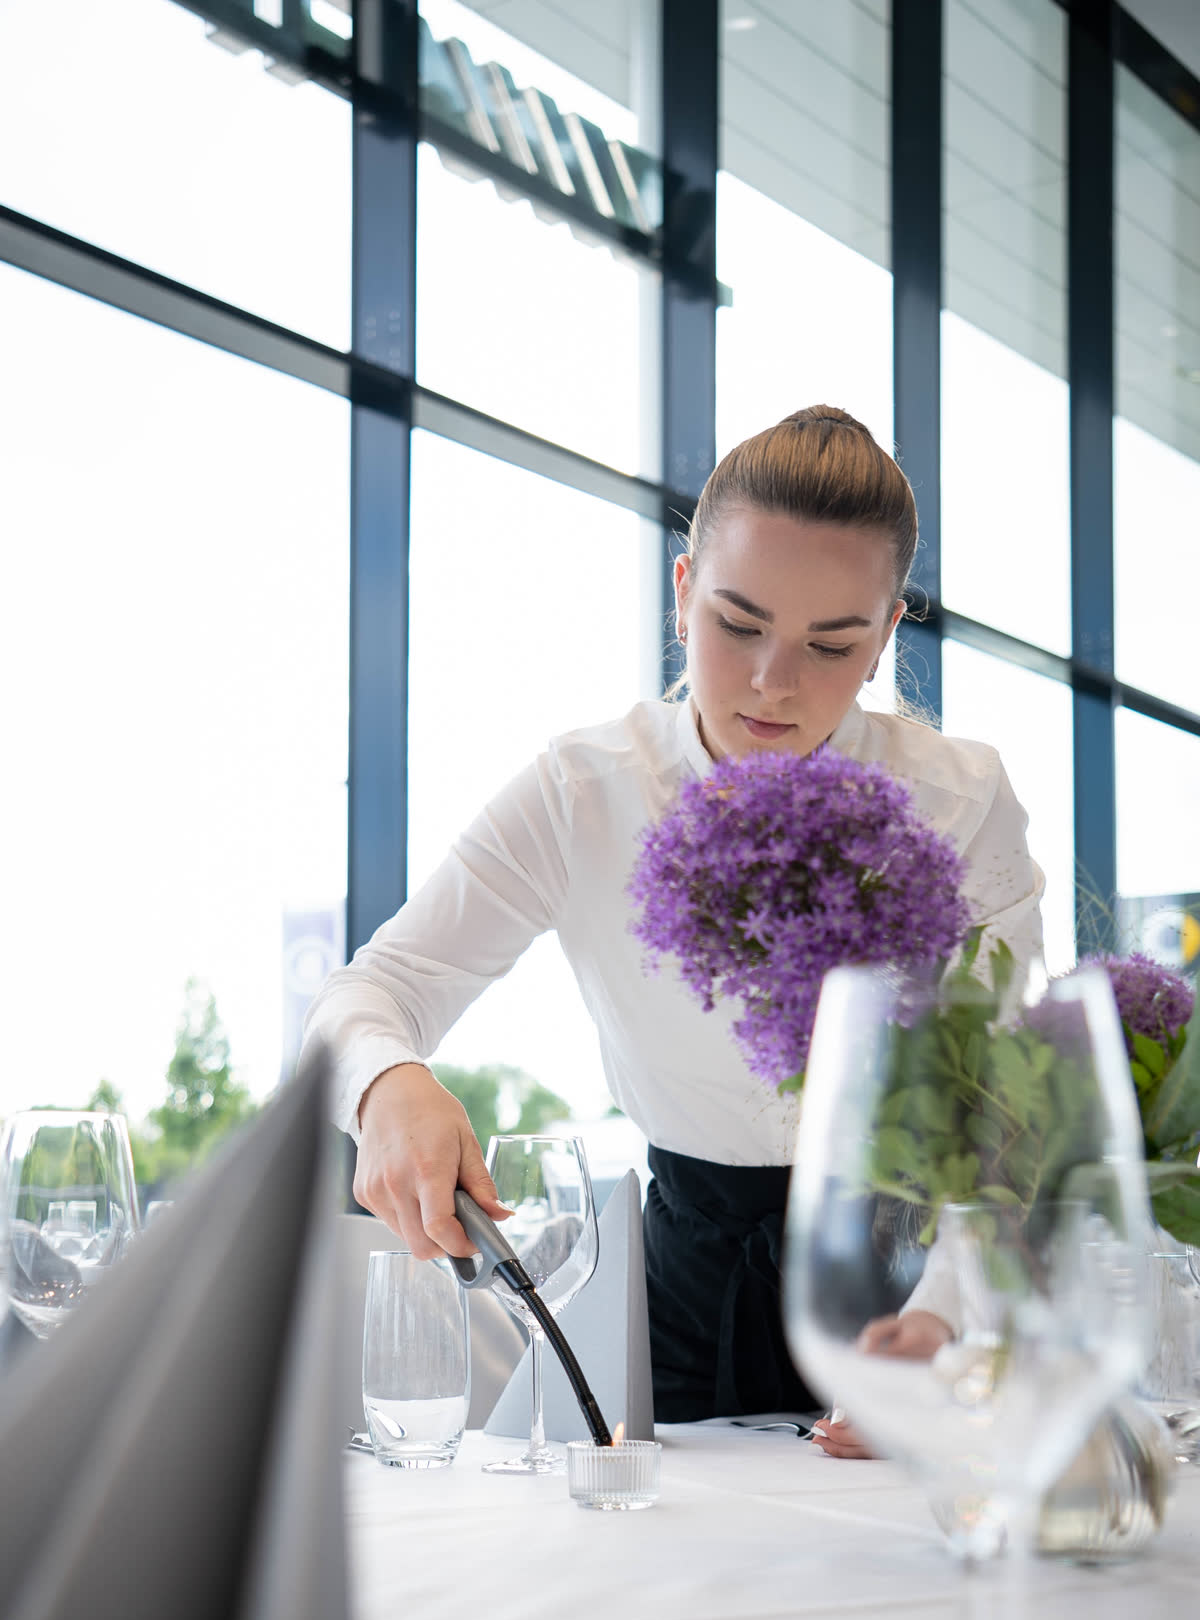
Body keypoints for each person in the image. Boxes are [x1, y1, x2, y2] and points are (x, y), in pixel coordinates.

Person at [302, 404, 1044, 1440]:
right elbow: (365, 993)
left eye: (831, 644)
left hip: (905, 1298)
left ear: (884, 640)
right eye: (738, 625)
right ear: (683, 592)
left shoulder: (961, 801)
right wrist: (388, 1083)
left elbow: (1009, 1112)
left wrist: (941, 1325)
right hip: (669, 1305)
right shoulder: (587, 789)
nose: (772, 684)